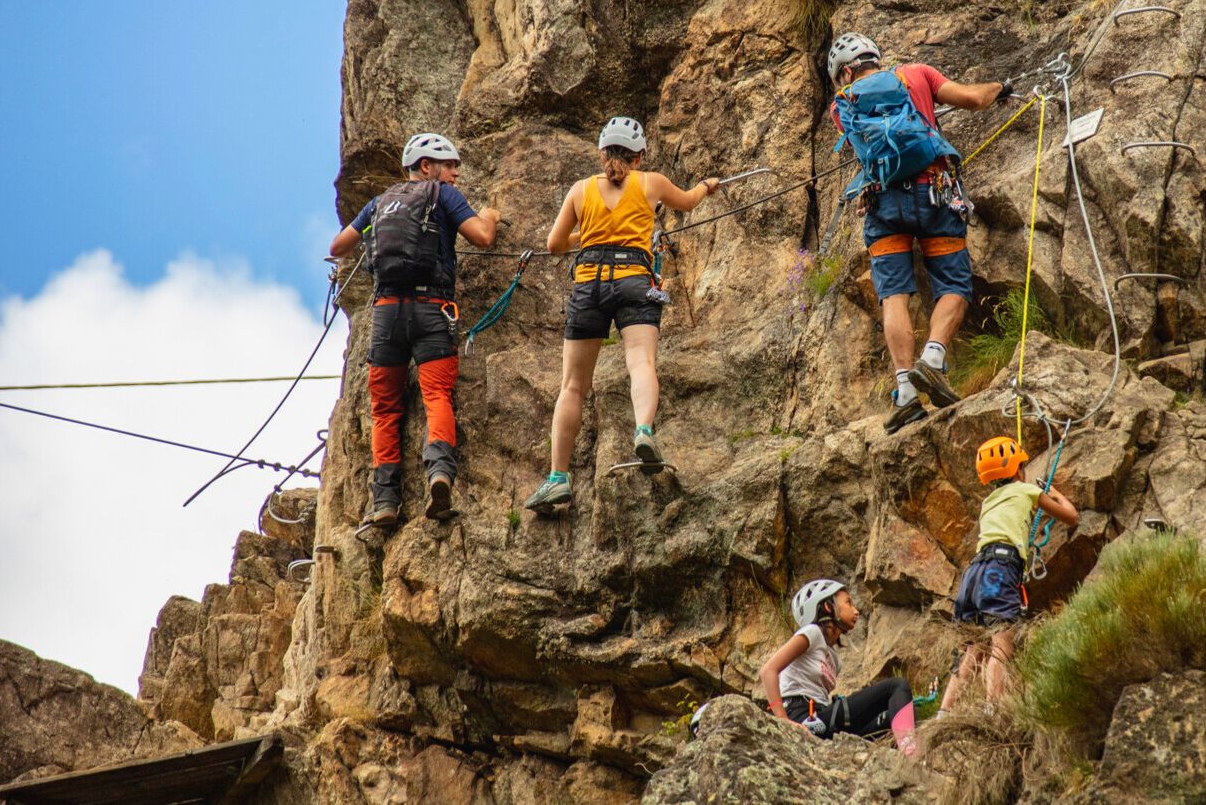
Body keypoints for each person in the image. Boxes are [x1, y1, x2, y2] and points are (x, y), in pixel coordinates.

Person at [523, 117, 721, 515]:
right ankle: (643, 430)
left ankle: (558, 478)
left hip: (589, 283)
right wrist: (706, 186)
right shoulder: (652, 183)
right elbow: (688, 201)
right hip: (635, 281)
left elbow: (554, 244)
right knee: (641, 362)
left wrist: (587, 235)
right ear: (639, 155)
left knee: (573, 386)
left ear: (601, 154)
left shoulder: (581, 191)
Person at [826, 32, 1014, 434]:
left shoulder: (840, 107)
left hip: (882, 204)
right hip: (934, 193)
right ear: (875, 58)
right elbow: (972, 99)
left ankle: (906, 393)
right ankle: (932, 359)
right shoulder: (916, 73)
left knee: (893, 295)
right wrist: (1000, 88)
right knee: (953, 284)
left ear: (844, 72)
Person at [329, 132, 502, 528]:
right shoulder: (442, 195)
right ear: (428, 167)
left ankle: (385, 502)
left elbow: (339, 246)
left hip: (386, 315)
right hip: (432, 310)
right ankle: (439, 475)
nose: (456, 173)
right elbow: (483, 237)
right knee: (436, 395)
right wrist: (491, 215)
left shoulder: (379, 203)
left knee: (385, 408)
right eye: (450, 164)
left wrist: (375, 232)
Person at [938, 436, 1079, 714]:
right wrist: (1051, 491)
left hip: (974, 574)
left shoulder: (988, 501)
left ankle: (944, 713)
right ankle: (994, 709)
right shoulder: (1027, 490)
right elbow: (1071, 517)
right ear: (1017, 470)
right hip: (1000, 570)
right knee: (1001, 642)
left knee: (972, 649)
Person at [759, 579, 920, 757]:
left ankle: (904, 758)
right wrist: (783, 721)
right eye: (848, 603)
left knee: (896, 715)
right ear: (828, 607)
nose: (856, 611)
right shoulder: (811, 633)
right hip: (803, 717)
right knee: (897, 687)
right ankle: (911, 755)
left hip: (822, 720)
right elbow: (768, 671)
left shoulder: (835, 659)